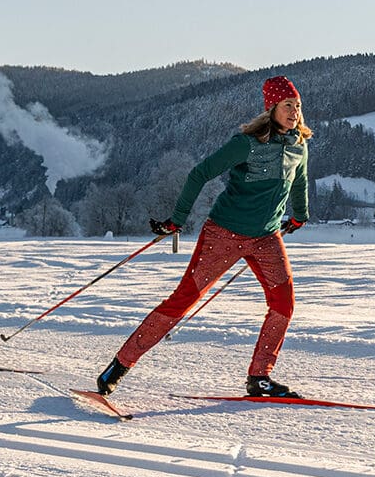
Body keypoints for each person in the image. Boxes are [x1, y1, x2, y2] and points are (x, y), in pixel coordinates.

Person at [96, 75, 312, 397]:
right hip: (224, 233)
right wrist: (177, 220)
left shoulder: (299, 145)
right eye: (287, 105)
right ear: (271, 109)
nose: (293, 112)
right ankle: (120, 364)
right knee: (184, 299)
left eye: (297, 106)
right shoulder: (247, 144)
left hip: (266, 238)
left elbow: (299, 181)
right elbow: (199, 173)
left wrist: (300, 215)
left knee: (284, 304)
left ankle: (260, 377)